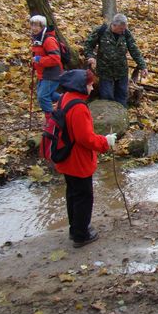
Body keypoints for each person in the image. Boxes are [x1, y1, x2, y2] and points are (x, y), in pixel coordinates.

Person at [55, 69, 117, 248]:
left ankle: (75, 228)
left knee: (73, 194)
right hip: (77, 159)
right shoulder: (79, 107)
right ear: (81, 86)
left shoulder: (64, 98)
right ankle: (81, 235)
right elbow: (86, 138)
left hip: (65, 155)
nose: (92, 88)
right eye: (90, 85)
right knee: (84, 197)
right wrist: (105, 141)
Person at [84, 13, 148, 107]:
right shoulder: (101, 31)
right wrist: (90, 56)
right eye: (121, 29)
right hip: (105, 71)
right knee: (106, 97)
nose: (123, 31)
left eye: (124, 28)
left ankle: (121, 114)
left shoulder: (126, 33)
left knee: (122, 97)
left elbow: (134, 50)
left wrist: (143, 66)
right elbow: (88, 45)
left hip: (121, 71)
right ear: (114, 25)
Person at [30, 14, 62, 124]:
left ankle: (51, 119)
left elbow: (55, 58)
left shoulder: (49, 40)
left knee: (42, 96)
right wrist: (34, 64)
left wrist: (39, 60)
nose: (34, 28)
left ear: (42, 26)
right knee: (48, 94)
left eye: (36, 26)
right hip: (43, 73)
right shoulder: (37, 38)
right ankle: (67, 99)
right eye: (32, 25)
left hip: (52, 73)